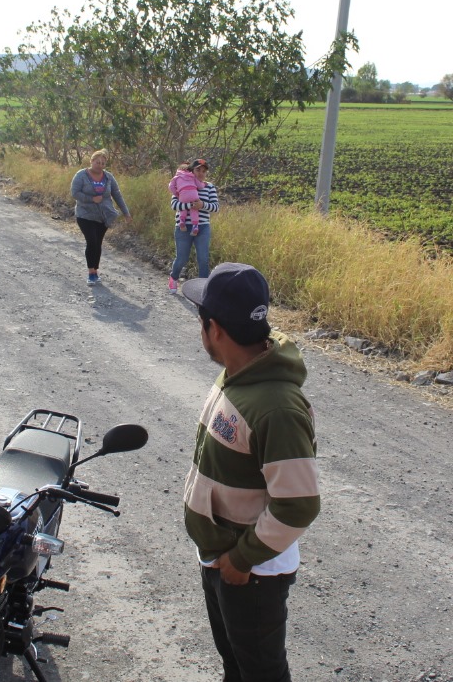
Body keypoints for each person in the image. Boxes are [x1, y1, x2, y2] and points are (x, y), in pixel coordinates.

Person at [179, 263, 320, 682]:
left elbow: (298, 505)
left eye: (200, 322)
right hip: (223, 558)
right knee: (236, 668)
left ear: (215, 329)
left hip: (252, 572)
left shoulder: (277, 408)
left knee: (261, 673)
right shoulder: (239, 373)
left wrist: (241, 561)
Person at [70, 149, 130, 286]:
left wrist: (126, 213)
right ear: (91, 161)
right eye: (97, 162)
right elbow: (74, 193)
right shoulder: (81, 175)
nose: (100, 165)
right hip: (85, 214)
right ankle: (91, 273)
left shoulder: (108, 177)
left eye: (103, 163)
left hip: (104, 216)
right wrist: (91, 199)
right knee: (91, 241)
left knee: (98, 243)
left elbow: (117, 194)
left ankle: (95, 270)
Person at [168, 158, 219, 293]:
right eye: (198, 170)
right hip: (183, 227)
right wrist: (190, 205)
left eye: (204, 171)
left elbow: (215, 207)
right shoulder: (181, 182)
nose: (201, 173)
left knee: (203, 258)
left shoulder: (209, 187)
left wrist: (202, 205)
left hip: (203, 227)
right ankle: (173, 277)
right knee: (182, 258)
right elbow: (174, 205)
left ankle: (203, 290)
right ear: (192, 170)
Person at [169, 162, 203, 236]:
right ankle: (195, 226)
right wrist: (203, 184)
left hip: (182, 195)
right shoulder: (192, 176)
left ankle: (182, 221)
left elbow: (170, 187)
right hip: (194, 195)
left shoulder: (176, 177)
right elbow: (200, 186)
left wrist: (177, 194)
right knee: (194, 209)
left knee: (183, 207)